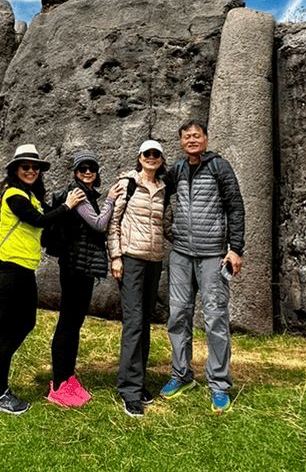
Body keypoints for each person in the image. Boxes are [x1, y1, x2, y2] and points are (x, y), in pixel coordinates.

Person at [0, 144, 85, 415]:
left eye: (35, 167)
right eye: (25, 167)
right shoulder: (13, 194)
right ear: (15, 170)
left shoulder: (31, 196)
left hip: (24, 270)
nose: (31, 171)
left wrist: (69, 200)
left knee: (26, 322)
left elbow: (49, 214)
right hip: (11, 270)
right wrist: (68, 206)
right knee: (7, 330)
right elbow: (39, 220)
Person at [160, 119, 245, 414]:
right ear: (181, 142)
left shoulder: (219, 167)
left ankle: (219, 384)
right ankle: (181, 375)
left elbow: (235, 206)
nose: (192, 140)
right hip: (181, 255)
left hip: (213, 255)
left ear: (205, 140)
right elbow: (157, 192)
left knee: (215, 318)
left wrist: (235, 249)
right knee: (178, 315)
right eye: (186, 136)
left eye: (196, 135)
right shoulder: (177, 170)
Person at [47, 150, 125, 407]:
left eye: (92, 168)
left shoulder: (87, 194)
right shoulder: (79, 195)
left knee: (75, 322)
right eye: (83, 169)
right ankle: (59, 383)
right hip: (74, 267)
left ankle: (68, 376)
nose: (88, 172)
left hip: (83, 267)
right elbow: (99, 224)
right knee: (68, 322)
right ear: (75, 173)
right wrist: (111, 199)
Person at [107, 140, 168, 417]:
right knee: (133, 322)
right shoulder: (128, 184)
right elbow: (114, 222)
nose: (151, 157)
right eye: (147, 153)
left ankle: (138, 380)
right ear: (139, 157)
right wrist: (116, 256)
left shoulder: (164, 187)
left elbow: (164, 223)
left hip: (154, 260)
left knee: (144, 321)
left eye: (156, 154)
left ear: (161, 159)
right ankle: (130, 391)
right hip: (131, 258)